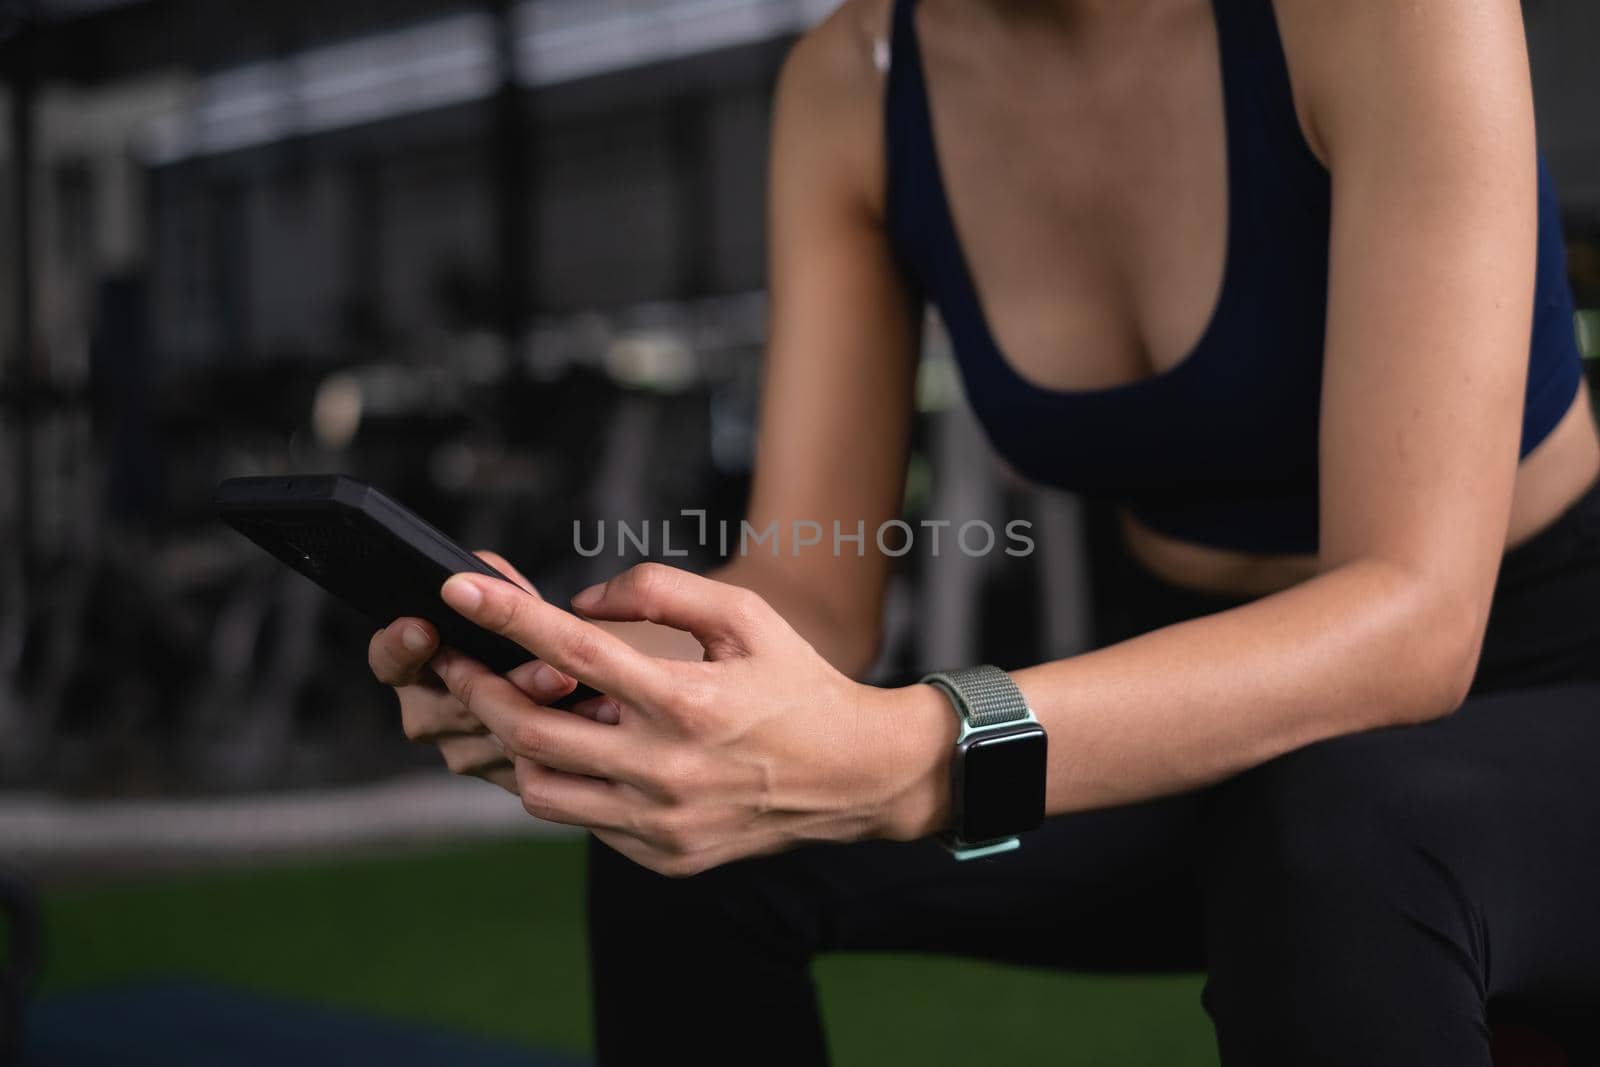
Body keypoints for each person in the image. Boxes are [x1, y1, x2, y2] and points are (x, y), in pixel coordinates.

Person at [368, 0, 1600, 1062]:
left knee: (1344, 827)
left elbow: (1414, 628)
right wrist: (613, 683)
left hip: (1534, 690)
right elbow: (812, 577)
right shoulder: (854, 81)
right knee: (684, 836)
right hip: (1189, 713)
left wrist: (916, 744)